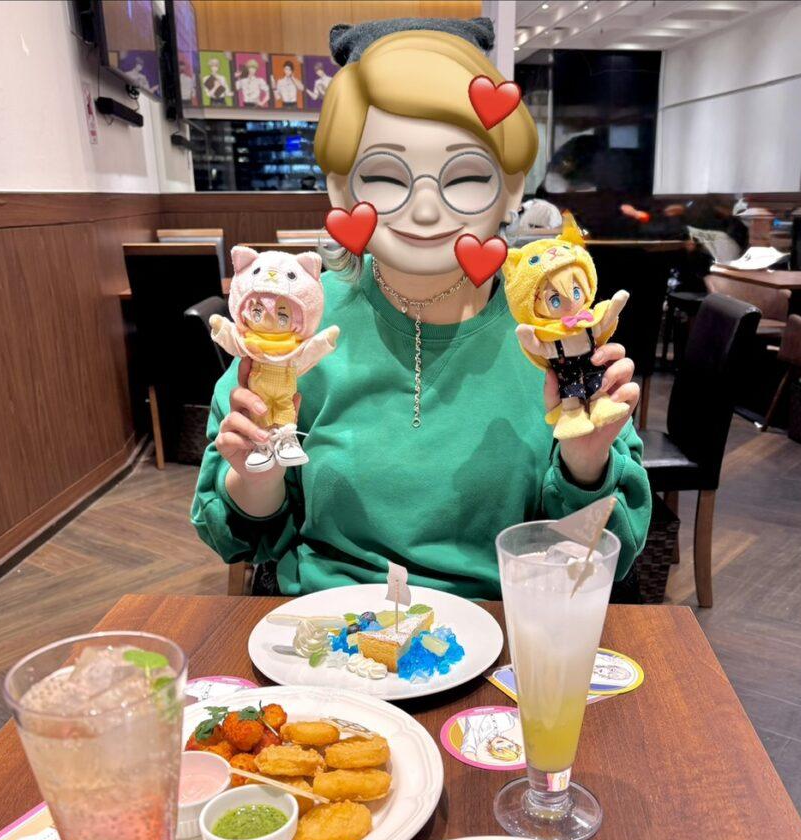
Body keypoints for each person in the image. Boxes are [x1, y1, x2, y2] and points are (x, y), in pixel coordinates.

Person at [192, 18, 650, 599]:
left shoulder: (553, 332)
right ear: (340, 188)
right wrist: (260, 476)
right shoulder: (294, 325)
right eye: (386, 175)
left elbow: (595, 559)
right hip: (328, 624)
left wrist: (584, 466)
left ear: (512, 188)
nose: (427, 211)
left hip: (502, 623)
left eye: (466, 176)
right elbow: (238, 538)